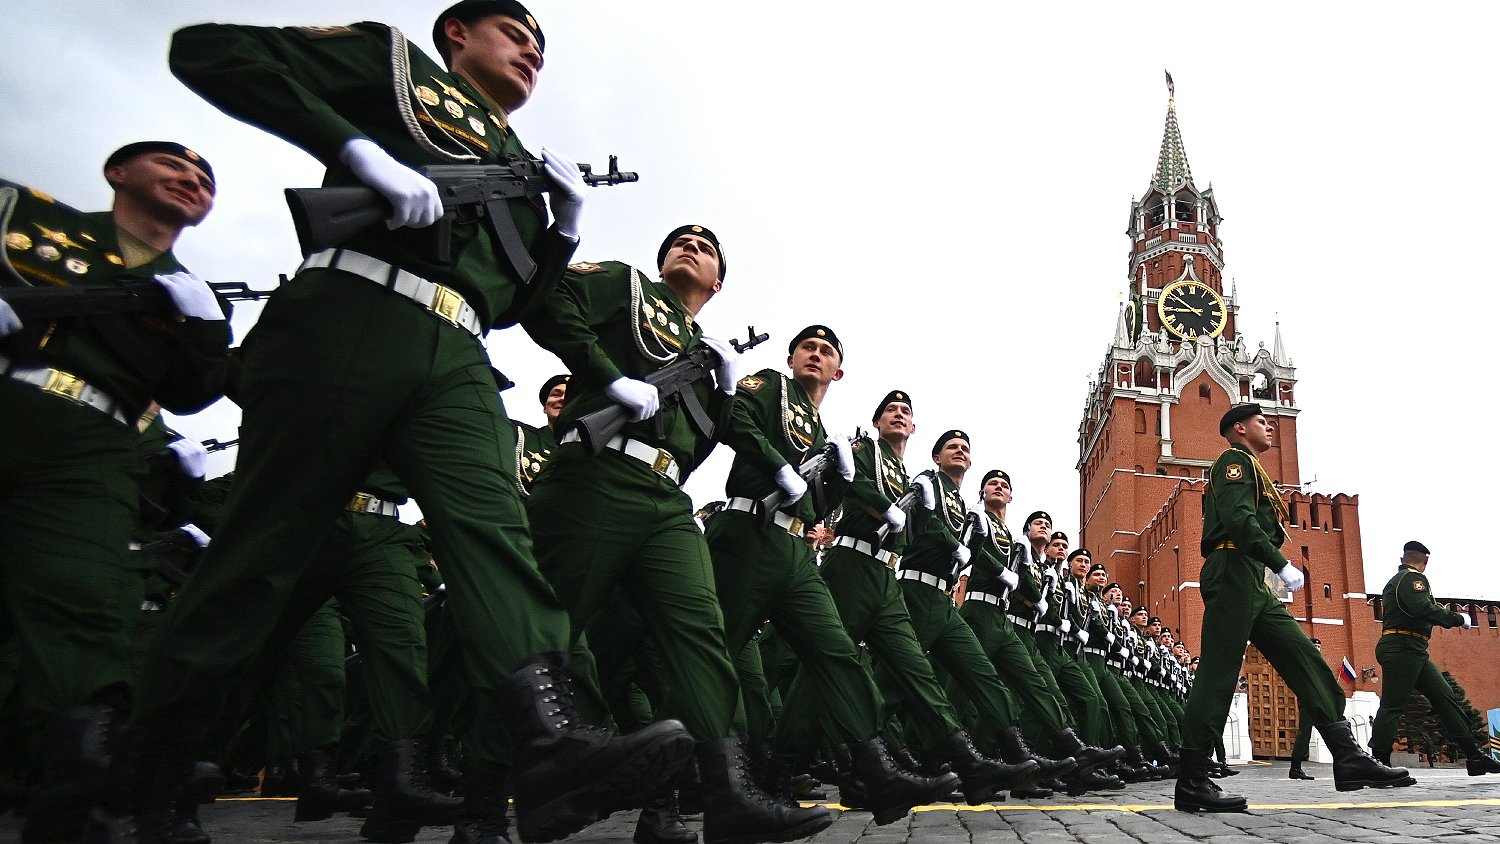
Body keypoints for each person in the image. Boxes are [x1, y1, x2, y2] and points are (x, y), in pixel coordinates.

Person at [132, 5, 695, 844]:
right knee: (260, 554)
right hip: (350, 311)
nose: (532, 48)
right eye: (514, 30)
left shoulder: (519, 162)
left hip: (459, 347)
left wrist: (562, 227)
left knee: (497, 537)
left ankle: (547, 742)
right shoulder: (394, 65)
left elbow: (521, 306)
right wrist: (355, 149)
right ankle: (145, 776)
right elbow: (211, 51)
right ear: (457, 34)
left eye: (542, 43)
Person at [525, 226, 834, 844]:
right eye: (679, 243)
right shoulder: (627, 285)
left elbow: (708, 438)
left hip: (666, 497)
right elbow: (549, 299)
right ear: (661, 261)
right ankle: (487, 803)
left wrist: (720, 384)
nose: (690, 247)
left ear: (718, 281)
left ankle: (726, 797)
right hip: (597, 473)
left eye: (706, 248)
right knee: (546, 629)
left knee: (700, 638)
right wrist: (607, 376)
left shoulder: (709, 350)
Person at [0, 140, 230, 842]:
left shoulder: (189, 290)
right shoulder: (31, 221)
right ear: (117, 173)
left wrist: (205, 326)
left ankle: (74, 792)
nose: (190, 179)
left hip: (95, 441)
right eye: (171, 165)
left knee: (84, 605)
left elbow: (192, 395)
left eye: (203, 179)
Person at [705, 325, 958, 824]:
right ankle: (713, 782)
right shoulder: (770, 386)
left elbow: (822, 508)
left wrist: (838, 480)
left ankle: (874, 772)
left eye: (826, 353)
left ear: (838, 371)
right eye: (808, 349)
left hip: (794, 545)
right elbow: (732, 417)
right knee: (717, 654)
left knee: (834, 653)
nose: (816, 356)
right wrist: (783, 467)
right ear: (792, 357)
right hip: (748, 530)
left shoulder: (822, 434)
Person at [1174, 403, 1411, 813]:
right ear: (1239, 428)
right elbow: (1237, 518)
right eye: (1261, 422)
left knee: (1307, 660)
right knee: (1217, 674)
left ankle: (1347, 757)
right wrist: (1278, 560)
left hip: (1251, 578)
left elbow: (1258, 520)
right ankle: (1192, 779)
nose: (1269, 427)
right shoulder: (1233, 461)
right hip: (1232, 570)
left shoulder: (1254, 468)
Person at [1368, 541, 1500, 776]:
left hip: (1414, 649)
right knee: (1393, 705)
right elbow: (1422, 608)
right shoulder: (1411, 579)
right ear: (1426, 560)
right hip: (1402, 647)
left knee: (1445, 698)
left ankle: (1474, 756)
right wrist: (1457, 619)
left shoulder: (1398, 580)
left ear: (1403, 558)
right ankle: (1378, 763)